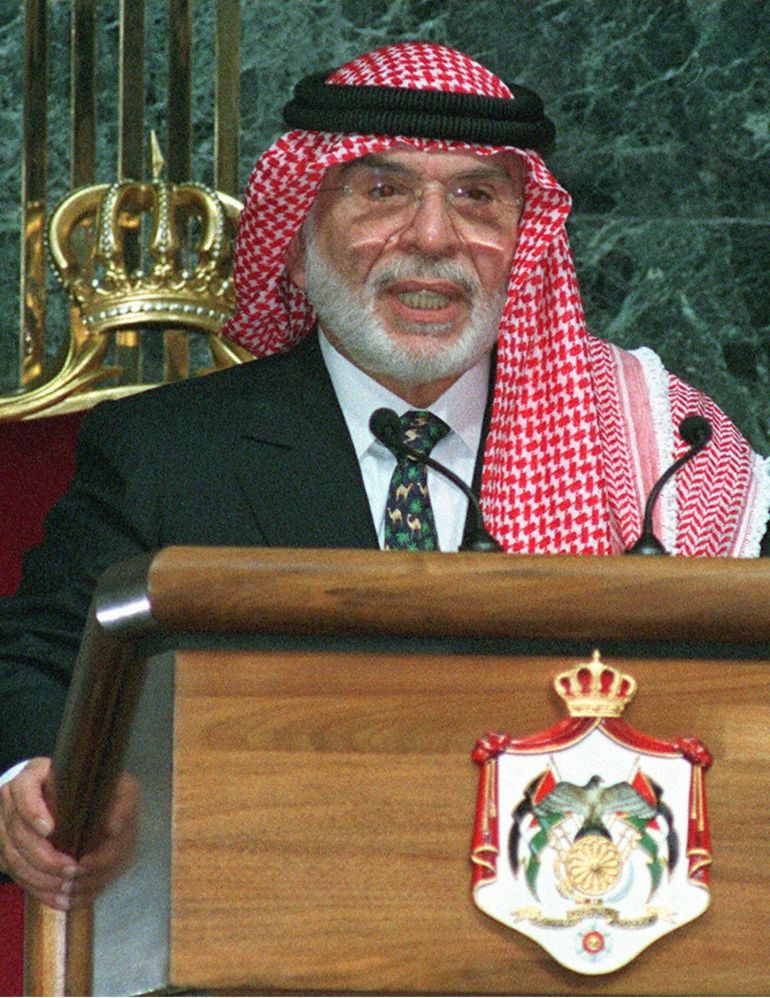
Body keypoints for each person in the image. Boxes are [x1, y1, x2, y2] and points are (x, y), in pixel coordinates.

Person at [1, 42, 768, 911]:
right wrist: (33, 778)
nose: (433, 237)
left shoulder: (658, 443)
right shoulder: (168, 451)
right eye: (382, 192)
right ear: (298, 241)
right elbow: (38, 658)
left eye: (477, 197)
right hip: (280, 907)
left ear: (526, 245)